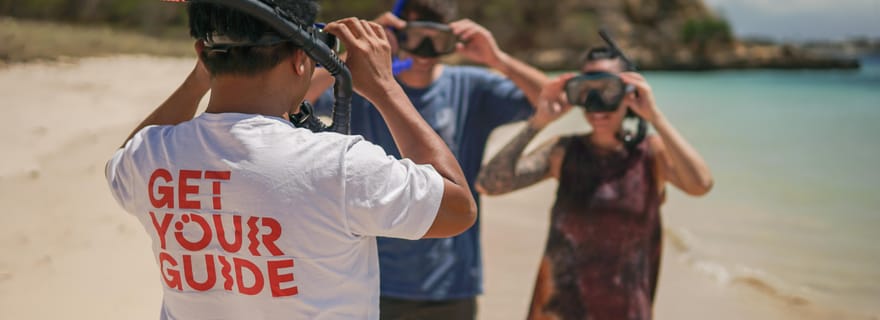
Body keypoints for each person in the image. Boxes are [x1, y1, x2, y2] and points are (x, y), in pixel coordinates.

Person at [104, 1, 477, 319]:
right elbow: (458, 207)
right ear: (302, 59)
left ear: (201, 53)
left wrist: (206, 74)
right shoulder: (339, 165)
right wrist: (385, 87)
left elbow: (126, 157)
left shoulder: (151, 157)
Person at [305, 1, 548, 318]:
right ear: (393, 35)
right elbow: (294, 98)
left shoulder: (470, 86)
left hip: (451, 282)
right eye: (414, 37)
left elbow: (553, 100)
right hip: (376, 278)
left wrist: (497, 59)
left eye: (437, 41)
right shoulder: (362, 86)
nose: (423, 50)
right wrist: (352, 58)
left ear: (453, 40)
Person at [476, 48, 714, 320]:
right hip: (556, 311)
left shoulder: (650, 154)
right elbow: (488, 185)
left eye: (608, 89)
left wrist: (655, 117)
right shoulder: (564, 151)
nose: (597, 102)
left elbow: (700, 184)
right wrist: (539, 121)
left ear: (630, 92)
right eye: (587, 89)